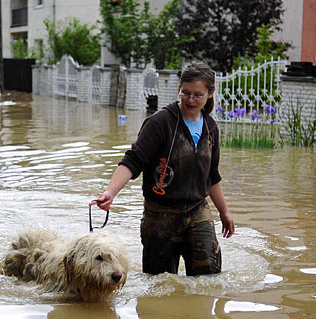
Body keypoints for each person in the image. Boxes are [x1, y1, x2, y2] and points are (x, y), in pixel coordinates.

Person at [90, 62, 235, 276]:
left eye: (197, 95)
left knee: (209, 279)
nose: (191, 100)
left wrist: (224, 211)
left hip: (198, 212)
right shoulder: (160, 123)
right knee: (159, 283)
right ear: (179, 89)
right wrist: (110, 192)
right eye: (185, 93)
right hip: (160, 216)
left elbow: (212, 176)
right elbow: (133, 160)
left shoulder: (210, 127)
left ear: (210, 93)